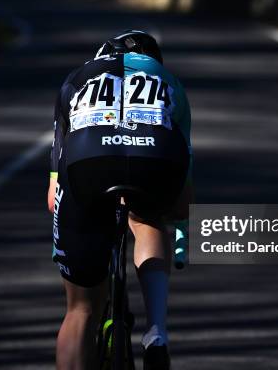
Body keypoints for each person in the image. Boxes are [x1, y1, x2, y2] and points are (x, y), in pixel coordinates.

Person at [47, 30, 193, 370]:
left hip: (88, 164)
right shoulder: (170, 82)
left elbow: (54, 196)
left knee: (80, 310)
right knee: (147, 220)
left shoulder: (76, 79)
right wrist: (178, 227)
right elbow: (185, 188)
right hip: (154, 163)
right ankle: (156, 331)